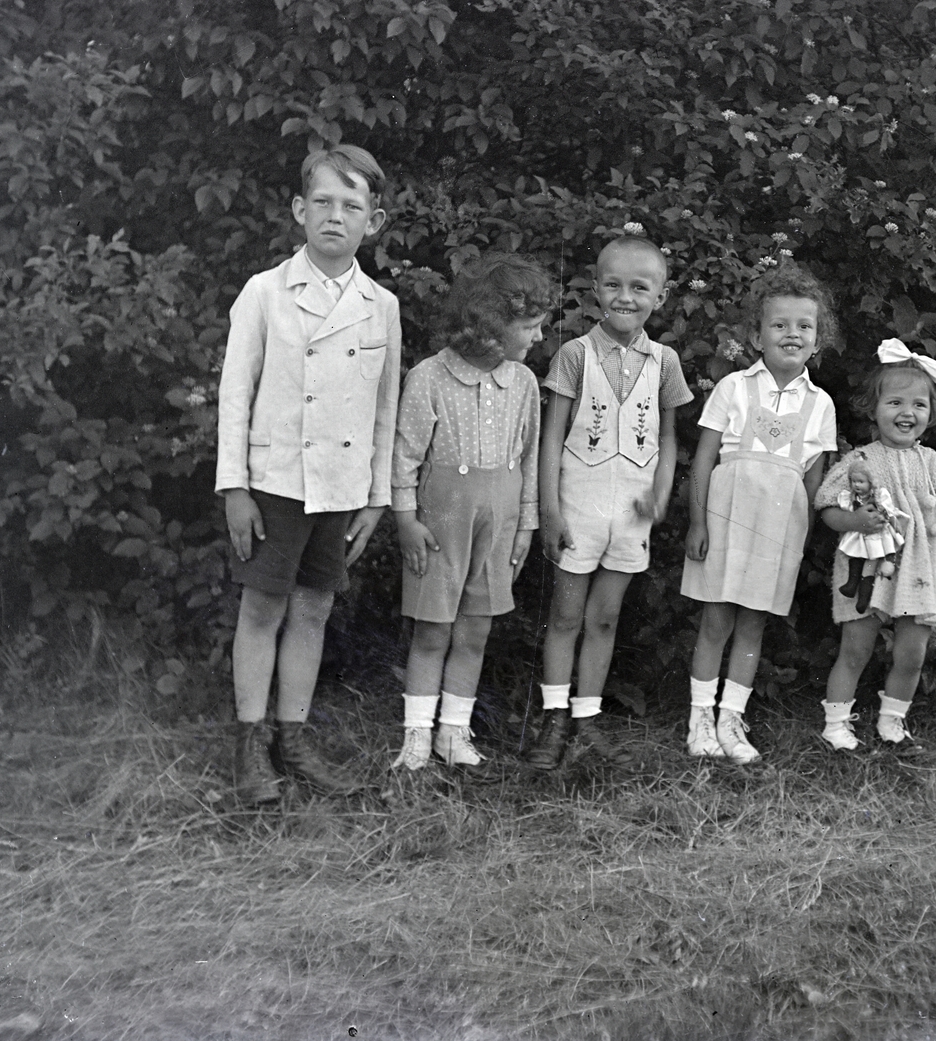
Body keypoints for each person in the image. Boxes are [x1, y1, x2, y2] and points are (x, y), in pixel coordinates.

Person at [214, 145, 398, 804]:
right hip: (276, 480)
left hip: (341, 484)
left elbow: (384, 409)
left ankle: (293, 740)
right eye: (322, 201)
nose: (334, 216)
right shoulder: (265, 292)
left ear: (372, 222)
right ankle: (249, 744)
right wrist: (235, 486)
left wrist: (377, 495)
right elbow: (236, 394)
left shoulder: (382, 306)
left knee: (314, 609)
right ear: (299, 209)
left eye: (352, 206)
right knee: (262, 607)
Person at [525, 236, 693, 771]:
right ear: (596, 290)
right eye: (613, 285)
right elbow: (551, 439)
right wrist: (549, 510)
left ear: (660, 297)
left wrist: (661, 496)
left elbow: (668, 439)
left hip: (631, 514)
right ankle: (553, 717)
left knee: (604, 617)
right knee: (566, 614)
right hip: (578, 506)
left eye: (639, 287)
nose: (626, 297)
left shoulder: (664, 362)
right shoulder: (574, 354)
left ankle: (587, 719)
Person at [389, 254, 555, 771]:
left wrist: (527, 523)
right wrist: (405, 519)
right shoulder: (429, 377)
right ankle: (416, 737)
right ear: (489, 326)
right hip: (441, 521)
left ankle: (453, 734)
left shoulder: (524, 382)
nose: (537, 336)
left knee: (476, 628)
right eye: (528, 326)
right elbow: (405, 455)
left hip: (500, 521)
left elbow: (529, 457)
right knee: (433, 628)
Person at [679, 263, 839, 764]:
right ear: (756, 335)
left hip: (777, 528)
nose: (792, 334)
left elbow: (813, 479)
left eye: (804, 326)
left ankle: (731, 719)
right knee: (716, 619)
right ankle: (699, 718)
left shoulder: (821, 404)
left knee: (752, 625)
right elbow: (704, 459)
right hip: (726, 518)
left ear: (818, 339)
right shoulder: (733, 389)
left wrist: (799, 538)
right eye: (779, 324)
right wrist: (698, 521)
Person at [814, 340, 936, 751]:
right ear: (873, 408)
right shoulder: (860, 461)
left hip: (918, 568)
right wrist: (855, 521)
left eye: (918, 405)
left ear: (931, 414)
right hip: (867, 565)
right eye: (895, 402)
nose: (907, 413)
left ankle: (892, 722)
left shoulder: (935, 464)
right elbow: (827, 507)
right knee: (856, 648)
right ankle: (836, 724)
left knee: (912, 654)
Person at [834, 462, 907, 614]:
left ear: (871, 482)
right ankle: (851, 584)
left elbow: (889, 512)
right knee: (855, 555)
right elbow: (847, 509)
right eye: (853, 481)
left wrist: (893, 522)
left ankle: (863, 600)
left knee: (869, 565)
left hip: (876, 535)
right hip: (860, 533)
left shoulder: (879, 496)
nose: (856, 485)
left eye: (861, 482)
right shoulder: (851, 497)